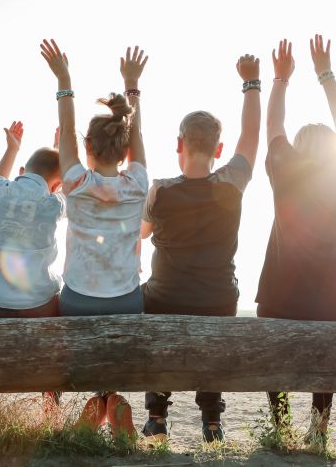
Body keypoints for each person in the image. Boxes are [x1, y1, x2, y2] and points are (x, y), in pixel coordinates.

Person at [139, 52, 262, 443]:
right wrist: (251, 83)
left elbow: (141, 235)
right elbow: (252, 136)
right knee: (216, 326)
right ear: (219, 148)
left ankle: (157, 415)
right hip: (218, 298)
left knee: (151, 309)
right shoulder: (231, 183)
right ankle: (211, 420)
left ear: (179, 144)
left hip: (166, 297)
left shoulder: (159, 190)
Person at [255, 36, 336, 446]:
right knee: (327, 349)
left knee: (273, 357)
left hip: (280, 298)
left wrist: (280, 80)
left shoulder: (285, 170)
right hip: (335, 302)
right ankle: (319, 426)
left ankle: (281, 425)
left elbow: (273, 128)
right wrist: (325, 73)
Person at [40, 39, 149, 440]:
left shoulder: (76, 183)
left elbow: (65, 131)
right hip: (127, 302)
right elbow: (137, 139)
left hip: (78, 301)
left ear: (87, 148)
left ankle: (66, 404)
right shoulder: (137, 184)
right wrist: (132, 87)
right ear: (125, 152)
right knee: (118, 333)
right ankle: (109, 399)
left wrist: (65, 81)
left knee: (49, 308)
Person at [0, 120, 65, 319]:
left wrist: (12, 149)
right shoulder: (53, 204)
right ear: (57, 186)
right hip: (35, 306)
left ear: (23, 171)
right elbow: (64, 188)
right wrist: (60, 151)